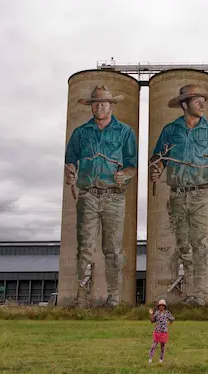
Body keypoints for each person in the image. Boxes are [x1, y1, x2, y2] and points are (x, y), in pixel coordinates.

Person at [149, 85, 208, 306]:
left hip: (202, 193)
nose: (203, 104)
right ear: (185, 105)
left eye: (204, 100)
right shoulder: (170, 130)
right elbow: (158, 158)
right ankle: (190, 293)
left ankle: (201, 296)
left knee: (201, 244)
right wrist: (156, 168)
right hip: (177, 194)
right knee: (184, 245)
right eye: (198, 101)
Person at [64, 85, 137, 307]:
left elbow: (132, 165)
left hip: (114, 197)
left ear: (112, 105)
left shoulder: (125, 132)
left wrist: (125, 174)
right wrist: (70, 173)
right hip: (87, 196)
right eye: (94, 104)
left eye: (103, 103)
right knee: (84, 247)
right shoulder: (80, 133)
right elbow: (70, 161)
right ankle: (81, 296)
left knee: (113, 248)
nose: (98, 107)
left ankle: (114, 296)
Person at [148, 299, 175, 364]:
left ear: (165, 306)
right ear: (158, 306)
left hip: (164, 332)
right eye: (160, 305)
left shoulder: (167, 313)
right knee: (153, 346)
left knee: (162, 347)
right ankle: (150, 359)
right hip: (157, 331)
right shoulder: (156, 312)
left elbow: (172, 319)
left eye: (163, 305)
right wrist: (151, 314)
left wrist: (170, 324)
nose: (161, 306)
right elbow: (152, 321)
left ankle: (161, 360)